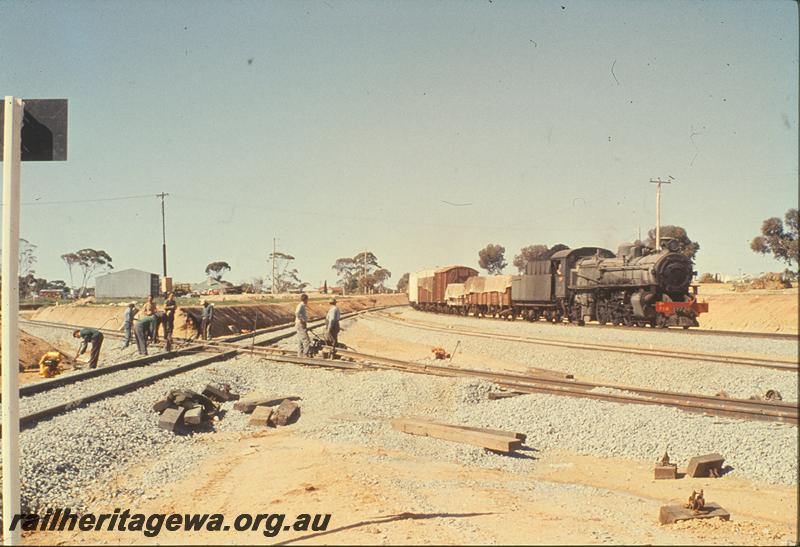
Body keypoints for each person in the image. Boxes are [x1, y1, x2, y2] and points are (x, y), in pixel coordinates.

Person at [295, 293, 310, 357]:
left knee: (300, 340)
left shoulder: (302, 305)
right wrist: (301, 320)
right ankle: (305, 354)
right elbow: (297, 313)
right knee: (306, 340)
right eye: (307, 299)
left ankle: (300, 354)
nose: (307, 301)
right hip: (300, 324)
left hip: (299, 324)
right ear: (305, 299)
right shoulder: (301, 305)